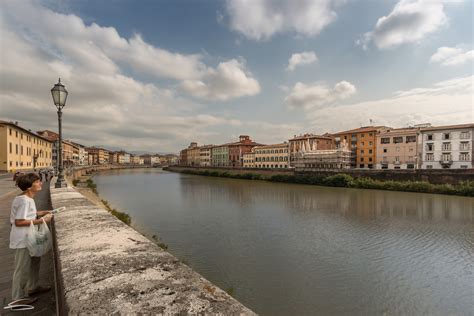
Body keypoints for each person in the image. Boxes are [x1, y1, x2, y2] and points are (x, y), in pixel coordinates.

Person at [9, 173, 53, 306]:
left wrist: (42, 212)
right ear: (29, 186)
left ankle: (33, 287)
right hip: (23, 239)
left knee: (35, 262)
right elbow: (18, 222)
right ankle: (17, 298)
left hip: (30, 237)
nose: (41, 183)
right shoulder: (23, 200)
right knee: (22, 269)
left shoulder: (27, 198)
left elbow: (29, 214)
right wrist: (42, 220)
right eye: (37, 181)